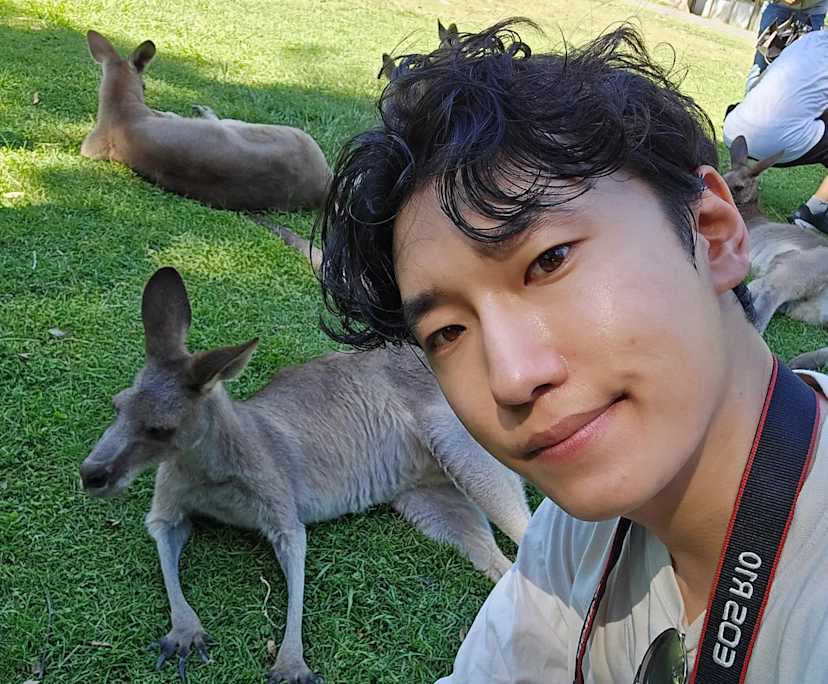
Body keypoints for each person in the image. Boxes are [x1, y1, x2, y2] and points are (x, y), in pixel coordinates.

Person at [316, 20, 828, 682]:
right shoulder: (581, 534)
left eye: (549, 260)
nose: (510, 377)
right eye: (447, 332)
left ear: (713, 234)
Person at [724, 28, 828, 231]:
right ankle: (813, 211)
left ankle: (731, 179)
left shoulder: (811, 39)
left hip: (735, 128)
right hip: (774, 141)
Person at [745, 0, 826, 92]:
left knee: (800, 76)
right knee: (761, 66)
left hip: (813, 13)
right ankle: (751, 99)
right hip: (779, 7)